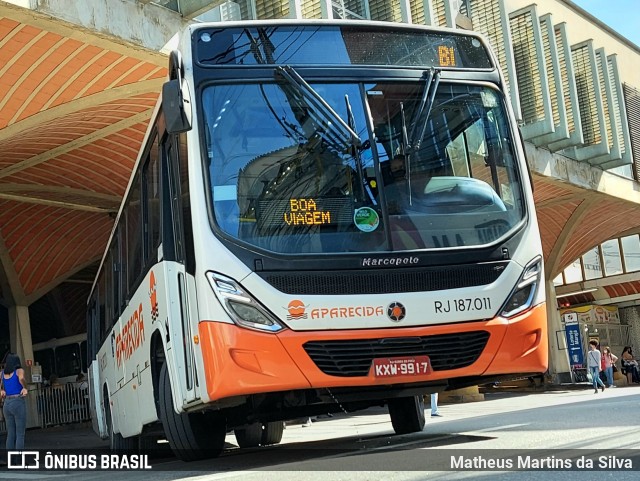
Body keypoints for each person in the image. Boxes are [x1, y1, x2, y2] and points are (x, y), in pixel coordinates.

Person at [0, 352, 28, 450]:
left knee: (10, 434)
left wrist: (2, 391)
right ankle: (20, 460)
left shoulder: (2, 373)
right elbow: (21, 378)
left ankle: (10, 460)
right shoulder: (19, 371)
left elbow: (1, 387)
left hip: (6, 404)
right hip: (17, 401)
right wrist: (25, 387)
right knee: (20, 434)